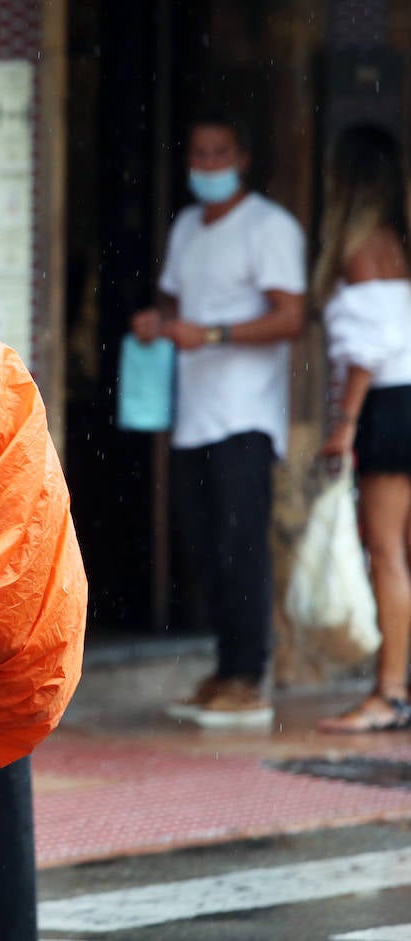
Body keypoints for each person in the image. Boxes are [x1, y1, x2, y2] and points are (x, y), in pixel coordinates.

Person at [131, 113, 307, 727]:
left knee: (241, 546)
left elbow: (290, 317)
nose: (208, 164)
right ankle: (226, 669)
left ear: (243, 158)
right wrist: (159, 322)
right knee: (204, 546)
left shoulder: (270, 227)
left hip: (246, 415)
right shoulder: (187, 226)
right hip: (194, 414)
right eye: (199, 154)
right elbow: (178, 300)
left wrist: (214, 333)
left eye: (219, 153)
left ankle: (250, 675)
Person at [311, 124, 411, 733]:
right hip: (406, 398)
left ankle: (390, 691)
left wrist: (343, 423)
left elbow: (368, 349)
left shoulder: (361, 245)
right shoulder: (399, 240)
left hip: (388, 408)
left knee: (386, 554)